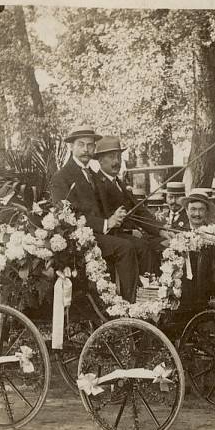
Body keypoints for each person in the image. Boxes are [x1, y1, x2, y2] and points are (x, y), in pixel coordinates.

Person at [49, 126, 139, 303]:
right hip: (78, 239)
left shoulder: (91, 174)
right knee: (125, 247)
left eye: (90, 146)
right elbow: (69, 216)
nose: (85, 150)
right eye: (81, 145)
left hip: (98, 234)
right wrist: (106, 223)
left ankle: (143, 296)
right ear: (71, 147)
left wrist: (118, 218)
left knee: (140, 244)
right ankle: (129, 306)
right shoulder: (62, 177)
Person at [92, 136, 163, 275]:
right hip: (116, 237)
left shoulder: (119, 182)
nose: (116, 161)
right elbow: (104, 217)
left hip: (133, 234)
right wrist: (129, 232)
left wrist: (161, 230)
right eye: (112, 157)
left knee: (164, 244)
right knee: (143, 247)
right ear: (100, 160)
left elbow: (139, 210)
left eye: (118, 157)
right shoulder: (97, 184)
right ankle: (145, 291)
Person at [177, 190, 215, 308]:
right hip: (185, 295)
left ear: (207, 212)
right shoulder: (178, 231)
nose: (197, 214)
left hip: (210, 293)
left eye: (201, 209)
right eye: (193, 209)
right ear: (186, 211)